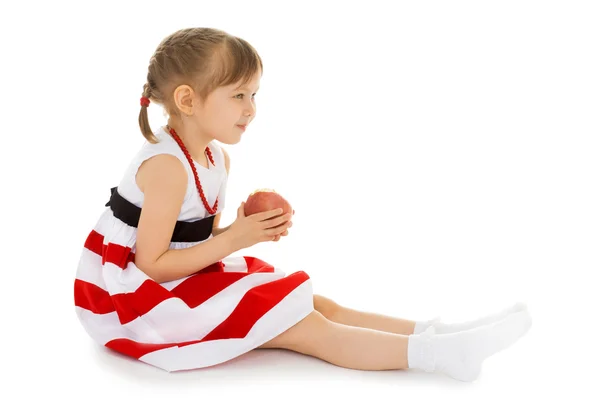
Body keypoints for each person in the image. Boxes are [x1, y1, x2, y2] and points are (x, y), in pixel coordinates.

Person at [73, 27, 532, 381]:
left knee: (314, 302)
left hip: (174, 274)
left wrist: (237, 226)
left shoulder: (216, 157)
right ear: (187, 100)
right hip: (131, 298)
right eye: (238, 95)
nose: (251, 108)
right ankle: (440, 357)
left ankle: (439, 332)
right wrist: (235, 239)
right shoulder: (167, 167)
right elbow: (152, 263)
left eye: (254, 94)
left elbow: (188, 235)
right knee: (304, 327)